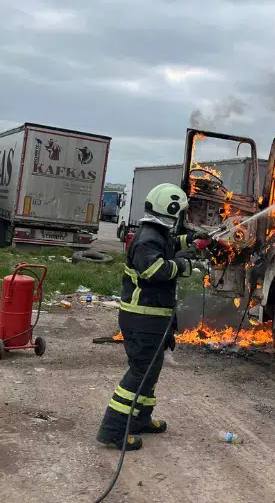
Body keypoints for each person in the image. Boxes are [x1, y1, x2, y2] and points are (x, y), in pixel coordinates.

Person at [96, 183, 211, 450]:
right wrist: (183, 266)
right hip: (142, 319)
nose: (181, 218)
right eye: (179, 212)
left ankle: (139, 419)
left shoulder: (156, 234)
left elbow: (171, 245)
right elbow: (155, 270)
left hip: (152, 319)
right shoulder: (148, 238)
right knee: (139, 374)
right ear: (170, 211)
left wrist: (193, 242)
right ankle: (113, 430)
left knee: (151, 370)